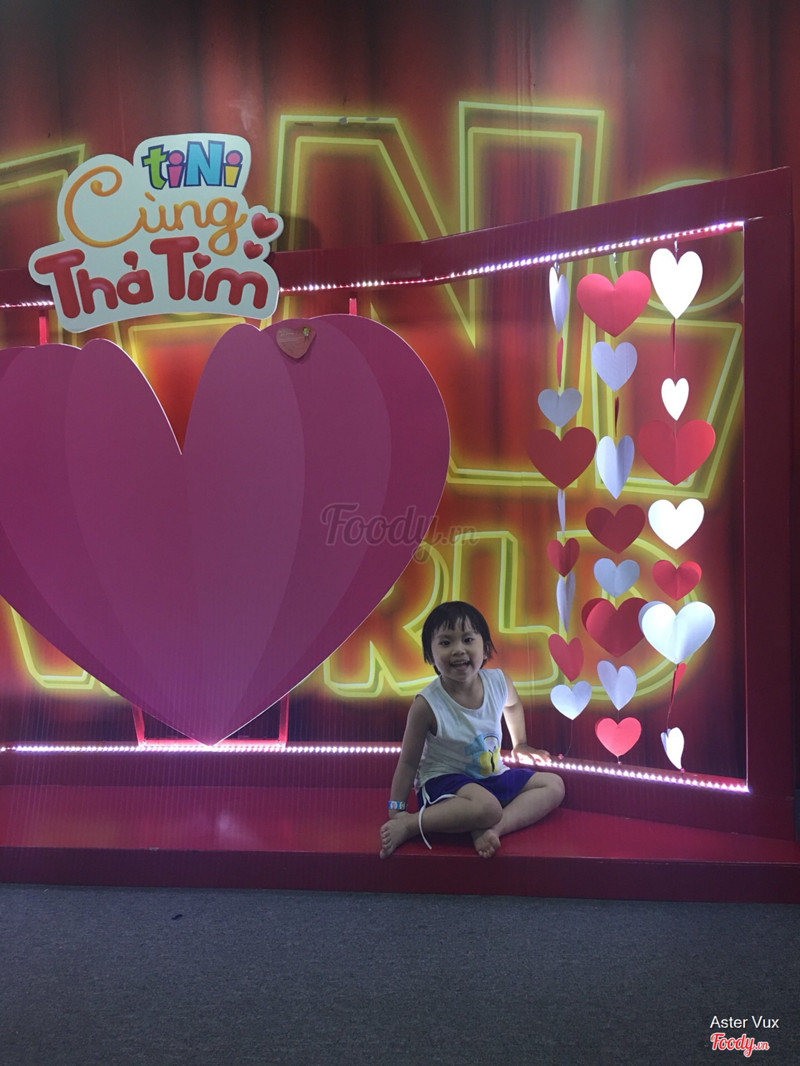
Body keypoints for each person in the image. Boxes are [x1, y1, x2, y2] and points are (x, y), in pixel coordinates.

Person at [379, 601, 565, 859]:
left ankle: (494, 828)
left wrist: (520, 743)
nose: (458, 650)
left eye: (467, 640)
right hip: (446, 783)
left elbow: (512, 705)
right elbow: (408, 762)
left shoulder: (499, 682)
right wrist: (397, 810)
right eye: (446, 643)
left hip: (491, 776)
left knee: (554, 785)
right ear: (430, 656)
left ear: (485, 648)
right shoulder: (426, 704)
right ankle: (411, 824)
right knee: (487, 806)